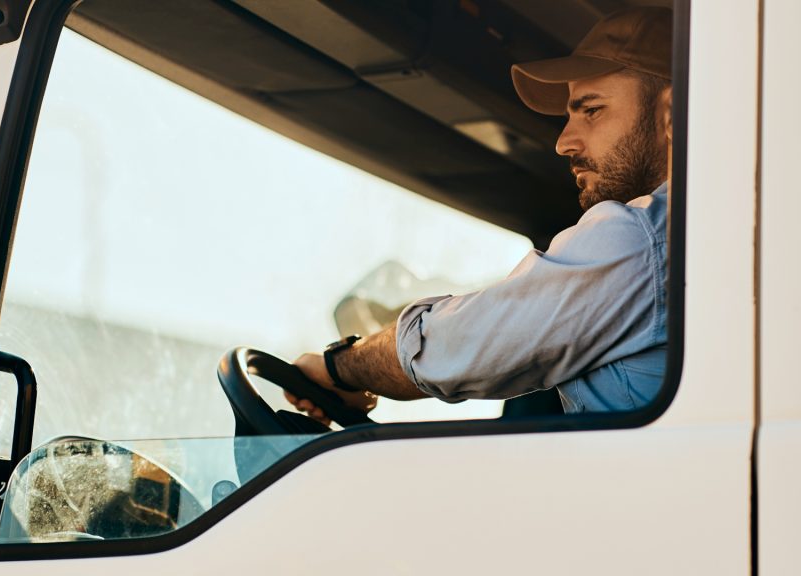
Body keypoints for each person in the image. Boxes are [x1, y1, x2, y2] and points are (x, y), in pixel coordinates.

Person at [288, 7, 674, 422]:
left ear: (673, 114)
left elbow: (457, 347)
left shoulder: (644, 238)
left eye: (591, 110)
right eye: (569, 116)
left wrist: (339, 368)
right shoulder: (701, 236)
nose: (564, 142)